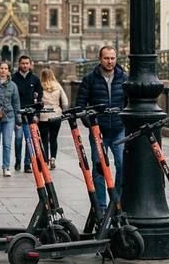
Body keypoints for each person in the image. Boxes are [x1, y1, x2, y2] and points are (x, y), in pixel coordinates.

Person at [75, 46, 127, 213]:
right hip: (99, 132)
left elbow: (129, 103)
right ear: (100, 59)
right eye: (106, 58)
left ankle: (116, 202)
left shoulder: (124, 78)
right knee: (99, 169)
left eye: (112, 58)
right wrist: (90, 123)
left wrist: (124, 119)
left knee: (122, 165)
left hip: (119, 130)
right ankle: (101, 207)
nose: (110, 61)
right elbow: (80, 105)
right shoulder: (90, 79)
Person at [11, 55, 43, 173]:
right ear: (19, 64)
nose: (25, 65)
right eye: (23, 63)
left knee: (29, 139)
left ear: (30, 64)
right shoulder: (14, 78)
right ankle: (18, 161)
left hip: (31, 114)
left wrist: (37, 115)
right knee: (19, 138)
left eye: (27, 63)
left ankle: (27, 163)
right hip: (18, 113)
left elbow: (39, 98)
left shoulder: (35, 79)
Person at [0, 61, 20, 178]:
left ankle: (6, 167)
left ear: (9, 71)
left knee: (7, 143)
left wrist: (18, 120)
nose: (3, 70)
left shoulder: (13, 85)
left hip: (9, 117)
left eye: (5, 68)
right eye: (1, 68)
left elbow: (16, 103)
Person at [38, 68, 68, 171]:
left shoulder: (40, 86)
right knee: (54, 138)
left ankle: (45, 161)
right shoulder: (58, 86)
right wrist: (64, 112)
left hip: (43, 116)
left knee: (44, 139)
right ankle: (53, 158)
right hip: (56, 115)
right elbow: (65, 101)